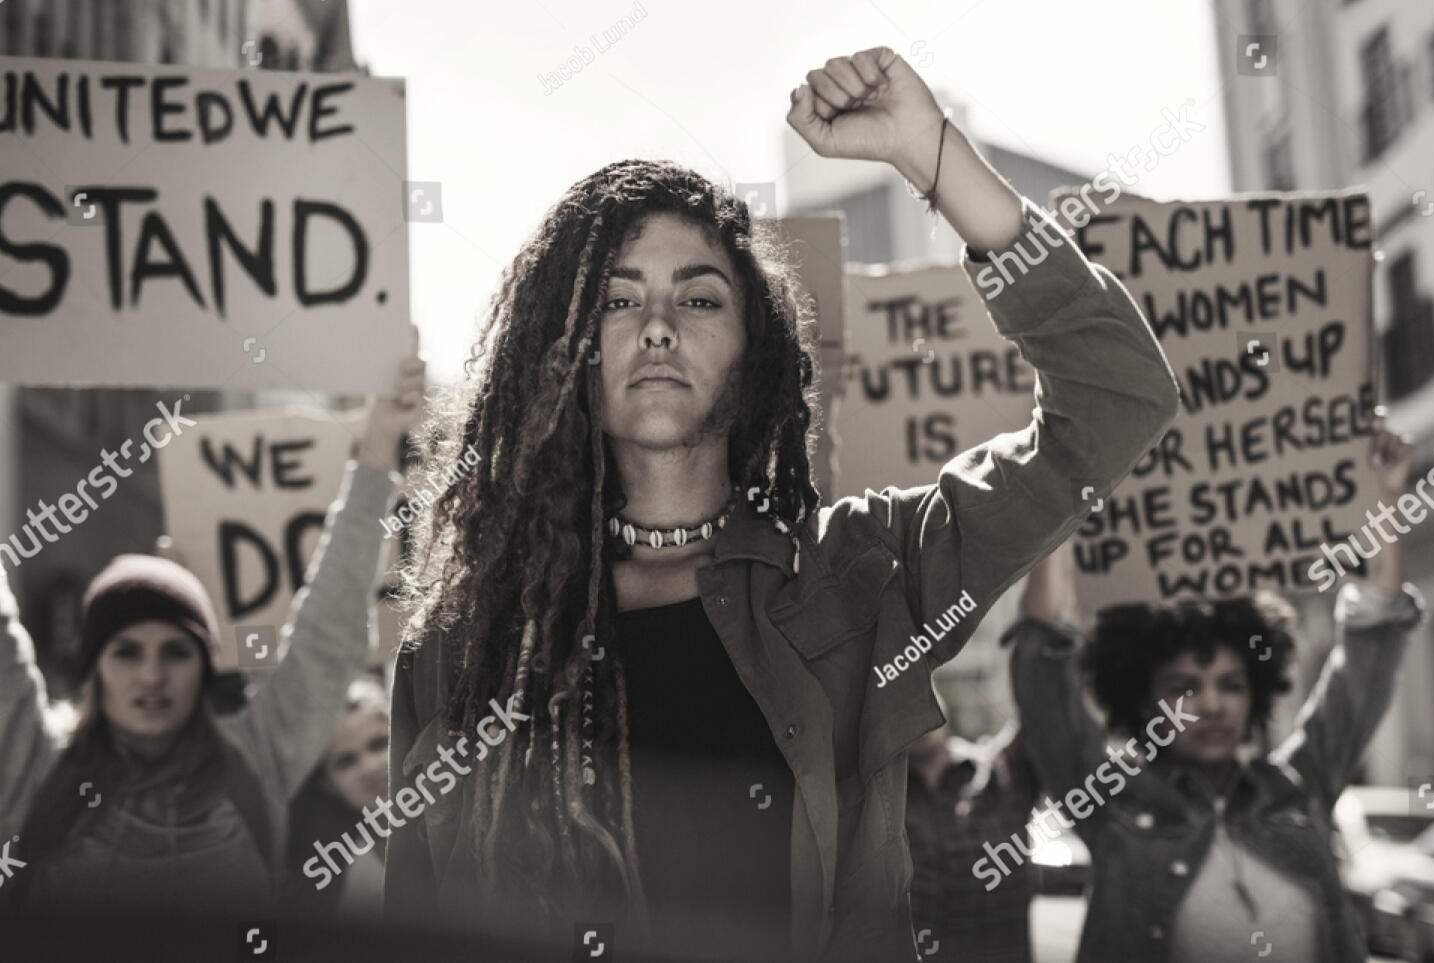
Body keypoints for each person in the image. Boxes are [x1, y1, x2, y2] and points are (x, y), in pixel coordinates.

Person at [385, 45, 1180, 963]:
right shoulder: (464, 641)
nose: (657, 324)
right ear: (561, 348)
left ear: (755, 350)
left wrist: (931, 156)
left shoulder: (859, 575)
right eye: (614, 298)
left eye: (700, 297)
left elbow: (1118, 393)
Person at [0, 348, 424, 920]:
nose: (152, 674)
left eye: (176, 651)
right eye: (126, 652)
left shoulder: (256, 755)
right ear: (93, 665)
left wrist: (376, 452)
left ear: (206, 662)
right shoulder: (38, 759)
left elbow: (328, 630)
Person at [1004, 420, 1425, 963]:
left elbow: (1371, 649)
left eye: (1231, 684)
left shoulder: (1300, 787)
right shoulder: (1112, 802)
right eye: (1183, 687)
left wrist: (1383, 501)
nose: (1211, 704)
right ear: (1141, 699)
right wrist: (1060, 507)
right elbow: (1043, 665)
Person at [905, 689, 1039, 963]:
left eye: (917, 687)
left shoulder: (1000, 770)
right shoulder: (872, 802)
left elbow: (1043, 711)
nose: (910, 705)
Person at [281, 673, 392, 920]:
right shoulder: (337, 875)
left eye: (379, 744)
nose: (369, 766)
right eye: (346, 761)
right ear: (328, 784)